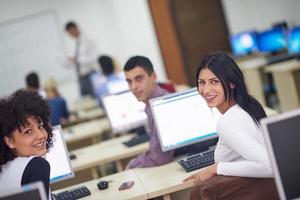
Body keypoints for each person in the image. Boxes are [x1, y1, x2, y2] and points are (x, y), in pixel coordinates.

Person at [184, 52, 273, 185]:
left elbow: (270, 166)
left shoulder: (227, 123)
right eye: (201, 83)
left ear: (231, 83)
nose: (206, 90)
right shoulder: (249, 104)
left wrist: (216, 168)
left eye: (214, 82)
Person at [0, 90, 54, 199]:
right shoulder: (36, 166)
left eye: (40, 126)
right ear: (9, 141)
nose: (41, 135)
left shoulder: (5, 168)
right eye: (28, 131)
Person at [124, 55, 174, 169]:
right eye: (129, 81)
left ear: (153, 77)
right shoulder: (151, 105)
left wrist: (133, 163)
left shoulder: (161, 105)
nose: (133, 87)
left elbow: (159, 158)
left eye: (138, 79)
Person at [65, 21, 97, 97]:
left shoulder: (88, 40)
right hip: (81, 77)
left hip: (90, 75)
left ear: (74, 29)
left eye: (70, 32)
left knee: (94, 98)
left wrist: (77, 60)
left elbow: (93, 58)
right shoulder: (75, 43)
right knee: (85, 100)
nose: (70, 35)